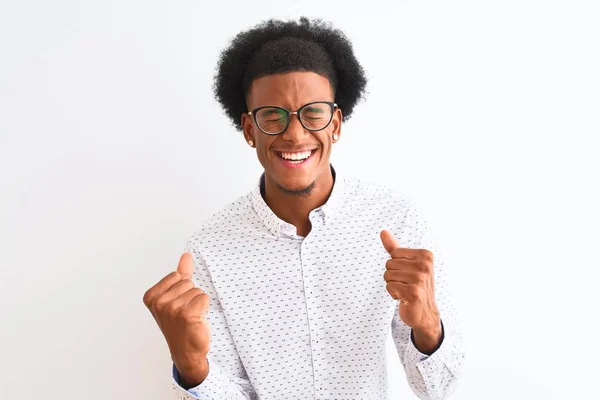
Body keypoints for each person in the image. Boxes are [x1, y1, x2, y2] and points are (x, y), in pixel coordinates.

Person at [143, 17, 465, 400]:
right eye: (272, 116)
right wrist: (192, 365)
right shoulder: (209, 251)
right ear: (249, 129)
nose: (294, 134)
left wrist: (428, 326)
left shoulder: (396, 220)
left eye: (313, 113)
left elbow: (438, 389)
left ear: (336, 124)